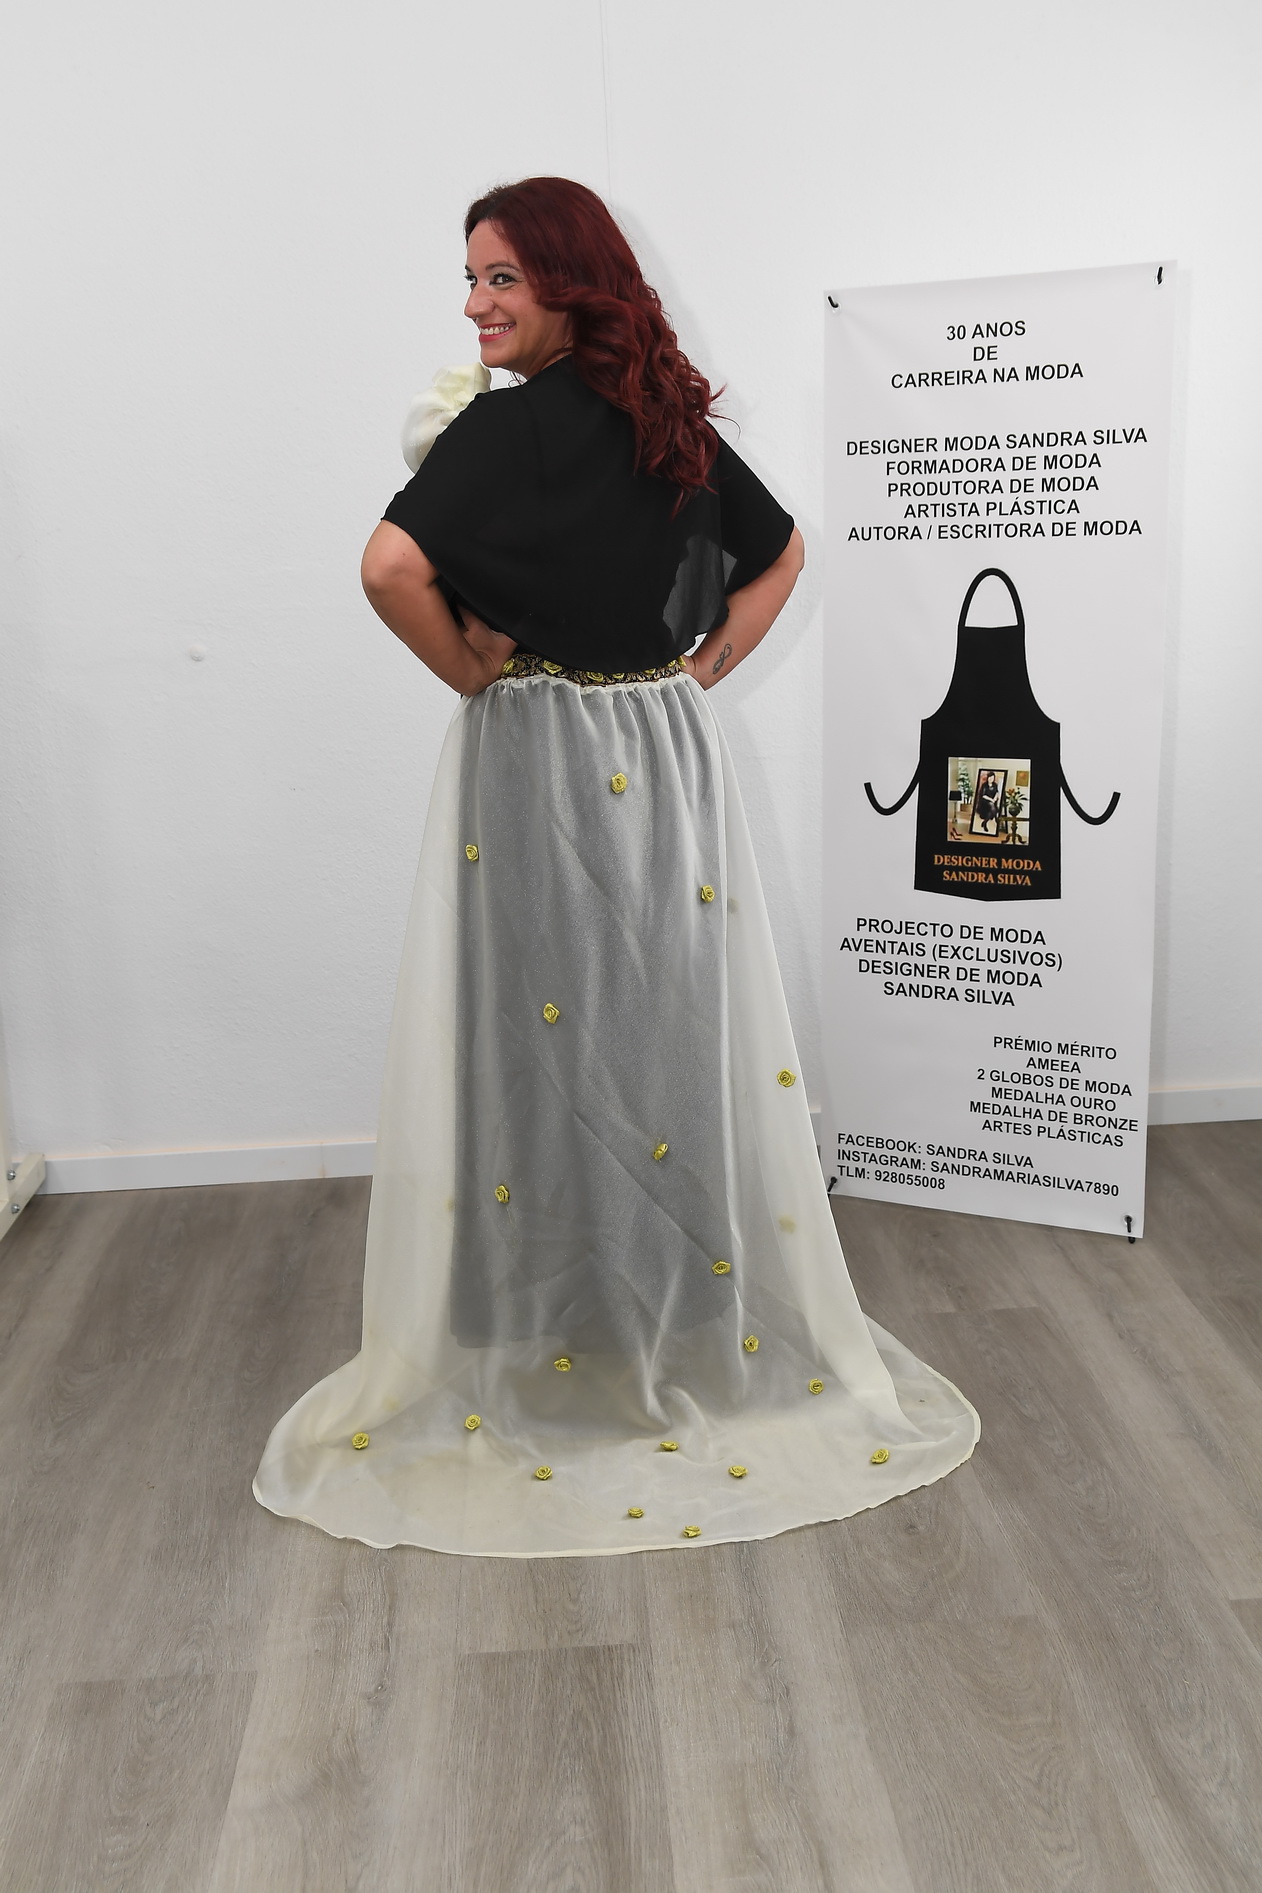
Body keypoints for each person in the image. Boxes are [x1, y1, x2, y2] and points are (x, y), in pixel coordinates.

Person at [252, 178, 978, 1555]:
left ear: (570, 286)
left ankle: (550, 1321)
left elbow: (388, 567)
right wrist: (693, 677)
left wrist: (473, 670)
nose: (474, 304)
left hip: (539, 758)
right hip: (663, 754)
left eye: (500, 279)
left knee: (539, 1039)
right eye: (473, 278)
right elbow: (780, 557)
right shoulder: (665, 422)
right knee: (662, 1028)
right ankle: (684, 1313)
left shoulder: (507, 427)